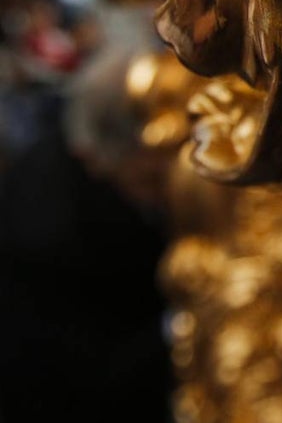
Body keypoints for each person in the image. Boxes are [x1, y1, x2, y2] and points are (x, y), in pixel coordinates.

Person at [0, 47, 173, 423]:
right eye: (152, 180)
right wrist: (182, 319)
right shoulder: (47, 234)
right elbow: (85, 381)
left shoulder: (95, 161)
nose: (169, 191)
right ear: (95, 157)